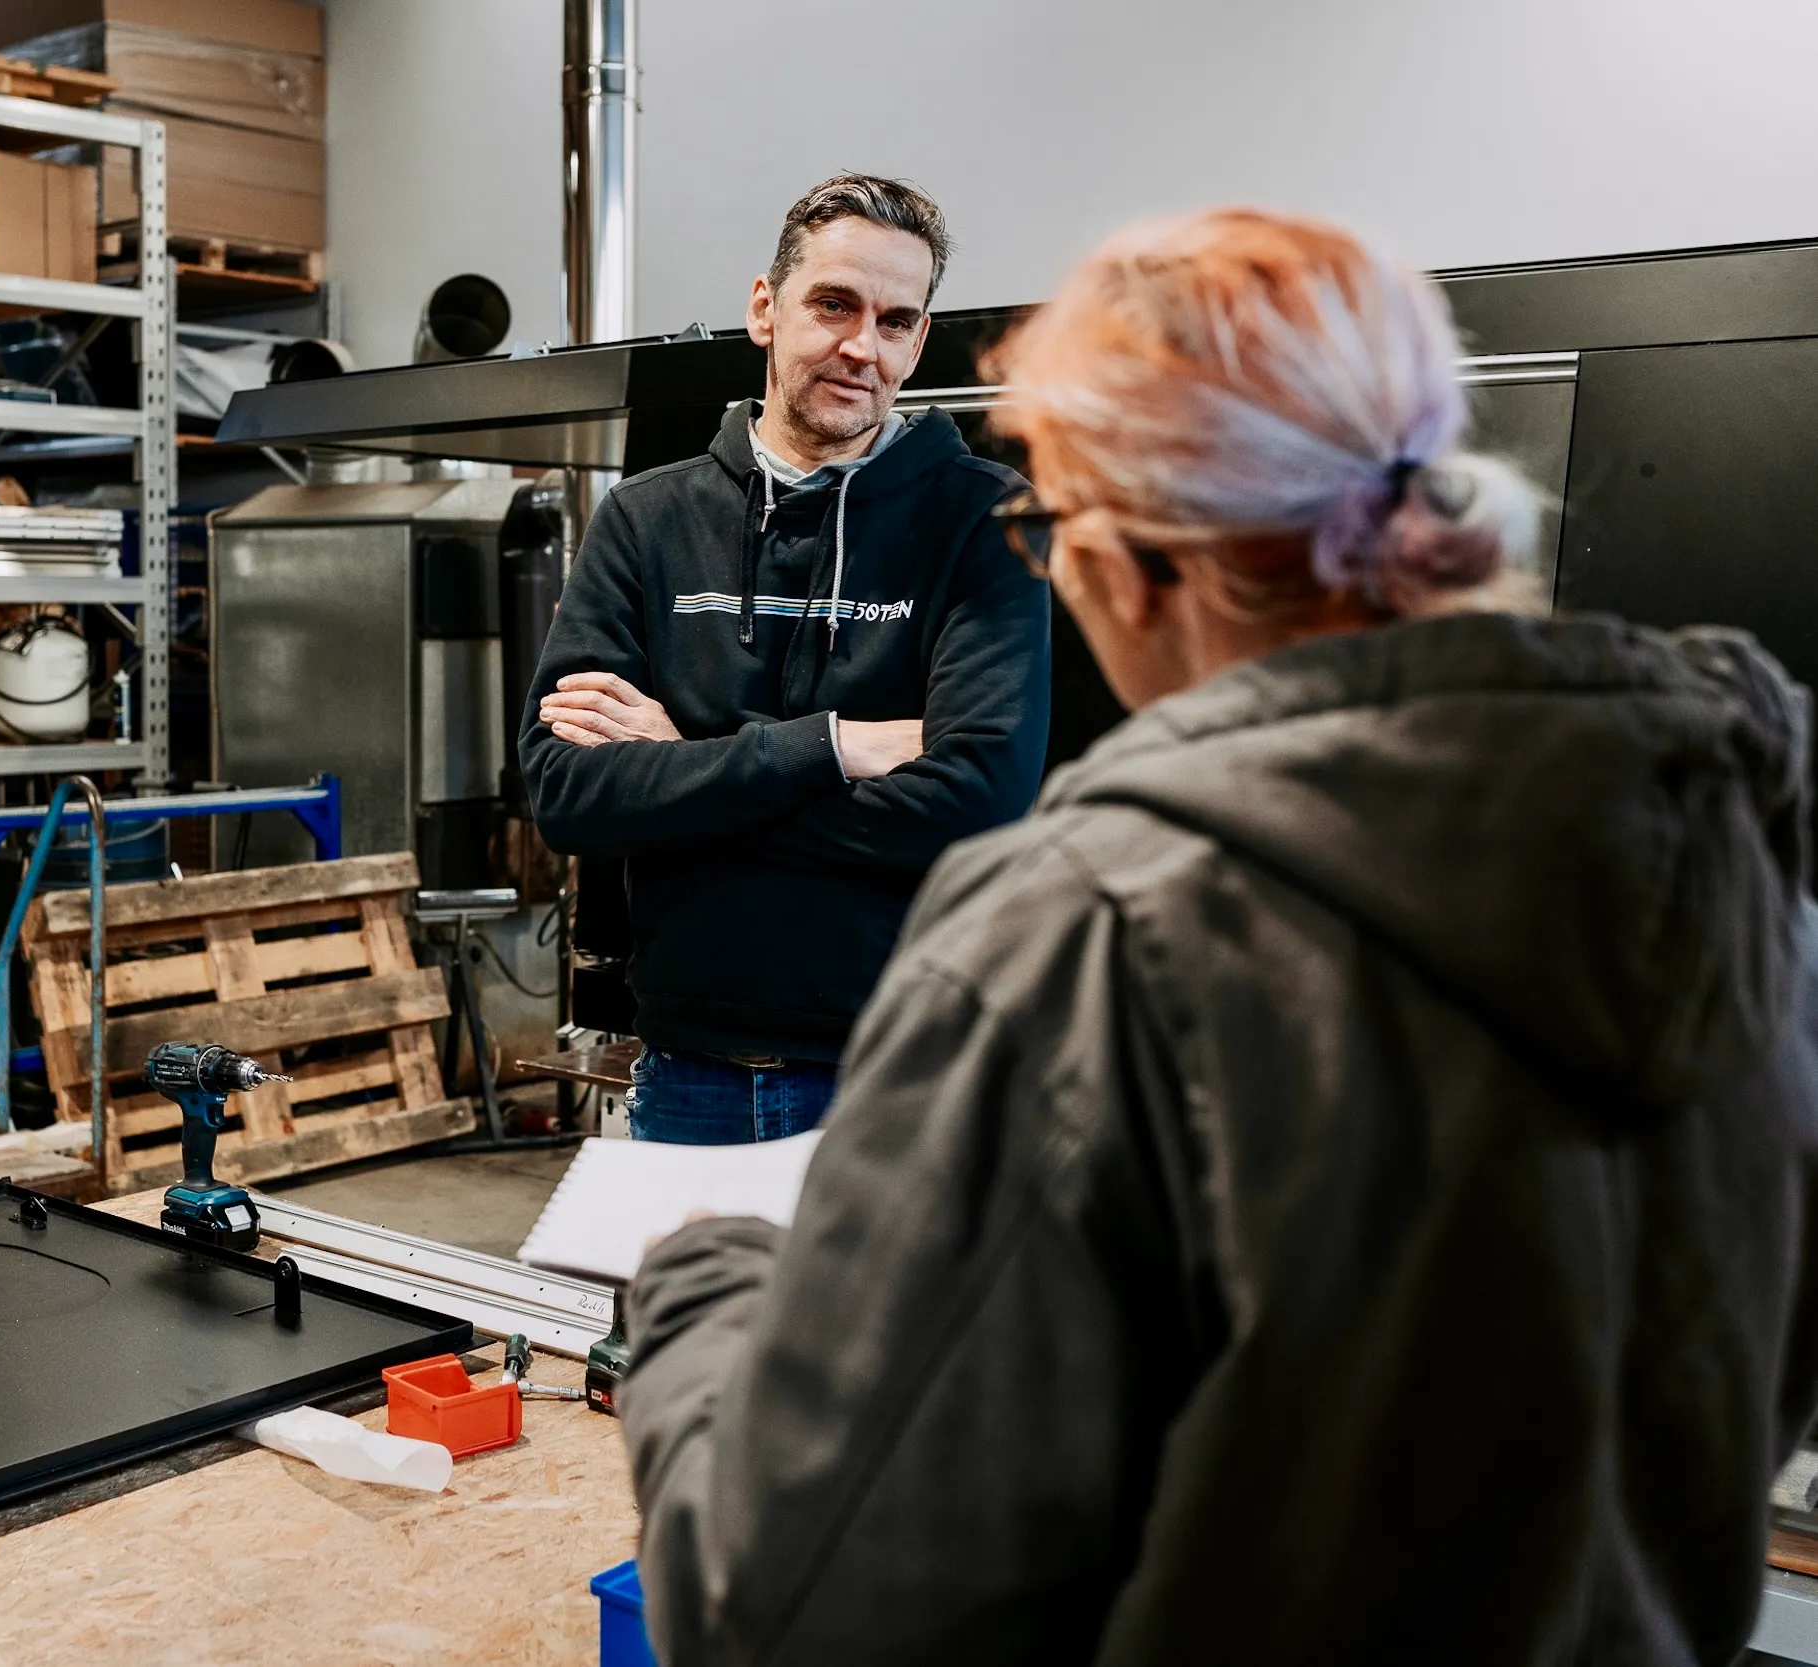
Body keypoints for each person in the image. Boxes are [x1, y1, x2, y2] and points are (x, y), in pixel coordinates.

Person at [618, 207, 1818, 1664]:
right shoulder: (1756, 888)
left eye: (1049, 529)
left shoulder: (1097, 938)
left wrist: (705, 1276)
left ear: (1132, 558)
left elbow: (783, 1604)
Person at [520, 173, 1052, 1144]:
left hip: (906, 1069)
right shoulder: (646, 519)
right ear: (765, 309)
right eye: (834, 305)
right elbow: (566, 793)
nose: (862, 346)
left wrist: (684, 763)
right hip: (689, 1068)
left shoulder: (983, 519)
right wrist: (835, 745)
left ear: (918, 342)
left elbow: (979, 805)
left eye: (895, 321)